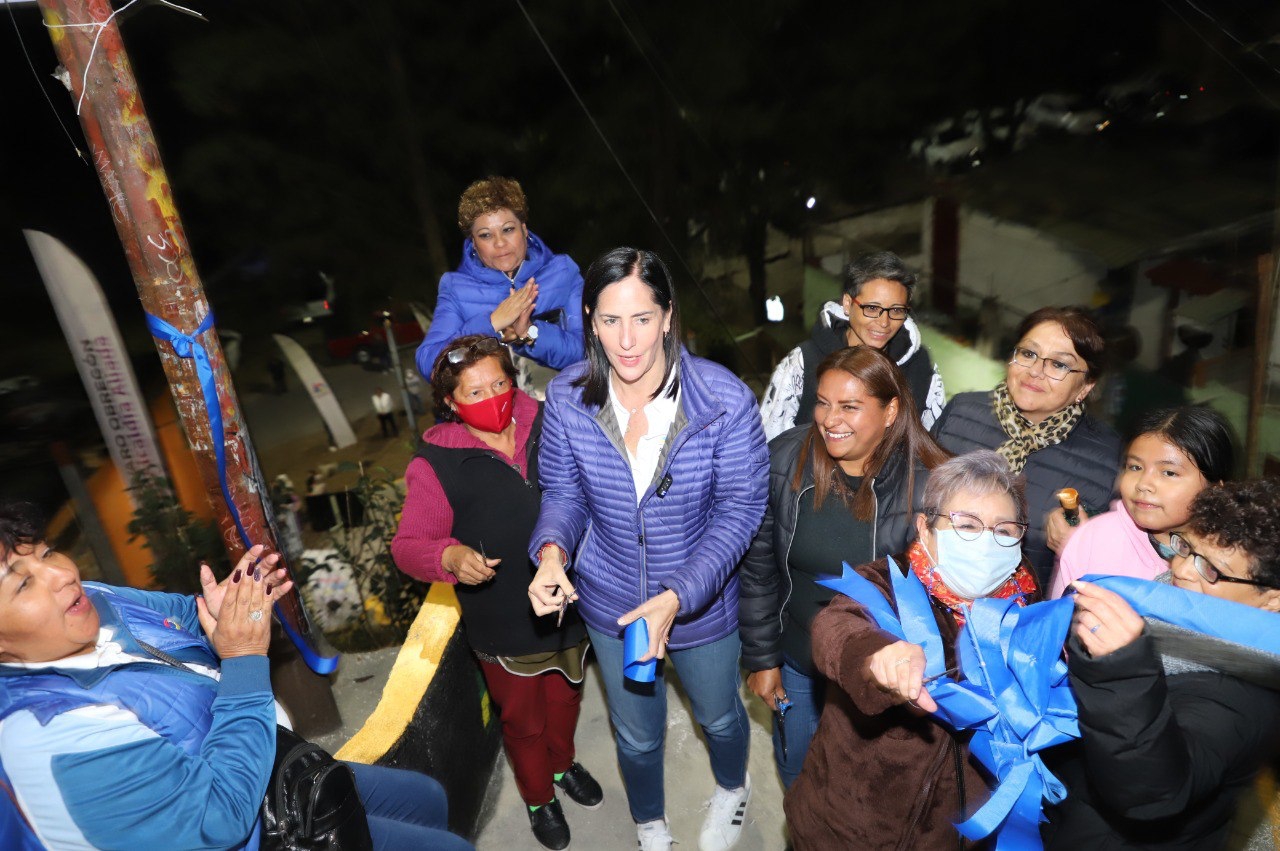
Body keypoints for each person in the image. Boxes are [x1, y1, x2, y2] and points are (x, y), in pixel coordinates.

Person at [0, 504, 473, 851]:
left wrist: (223, 608)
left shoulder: (91, 596)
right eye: (22, 583)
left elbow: (182, 616)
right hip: (252, 828)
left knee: (426, 797)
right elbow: (217, 821)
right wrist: (244, 656)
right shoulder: (49, 735)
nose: (61, 575)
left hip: (270, 757)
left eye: (47, 552)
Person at [527, 247, 768, 851]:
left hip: (701, 606)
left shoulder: (723, 401)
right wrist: (552, 551)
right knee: (636, 736)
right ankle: (650, 825)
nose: (626, 340)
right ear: (589, 319)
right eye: (610, 320)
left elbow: (740, 511)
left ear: (667, 316)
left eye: (641, 318)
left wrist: (678, 594)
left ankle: (733, 790)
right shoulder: (567, 398)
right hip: (612, 605)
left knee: (718, 715)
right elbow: (563, 491)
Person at [392, 334, 600, 851]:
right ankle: (538, 798)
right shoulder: (435, 464)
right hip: (501, 616)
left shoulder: (551, 420)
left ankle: (563, 764)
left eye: (500, 383)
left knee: (567, 695)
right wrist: (449, 557)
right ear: (450, 402)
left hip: (568, 598)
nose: (493, 398)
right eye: (475, 392)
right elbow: (408, 544)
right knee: (522, 718)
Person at [783, 451, 1041, 849]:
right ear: (926, 528)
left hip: (951, 836)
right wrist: (875, 656)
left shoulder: (1026, 609)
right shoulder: (886, 582)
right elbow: (835, 628)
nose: (987, 543)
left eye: (1004, 530)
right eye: (967, 525)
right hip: (844, 829)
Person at [739, 346, 949, 788]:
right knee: (796, 769)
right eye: (823, 402)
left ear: (891, 410)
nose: (830, 419)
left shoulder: (932, 487)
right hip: (798, 662)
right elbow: (758, 569)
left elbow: (945, 607)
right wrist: (762, 659)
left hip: (879, 675)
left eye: (850, 407)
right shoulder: (786, 459)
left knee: (862, 789)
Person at [1043, 479, 1280, 848]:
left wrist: (1121, 670)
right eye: (1186, 547)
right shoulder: (1166, 602)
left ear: (1271, 601)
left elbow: (1150, 793)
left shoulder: (1243, 694)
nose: (1183, 569)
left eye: (1212, 570)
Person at [931, 305, 1122, 585]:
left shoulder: (1108, 458)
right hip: (930, 587)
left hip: (1024, 614)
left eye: (1058, 364)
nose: (1035, 371)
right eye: (1028, 354)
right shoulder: (962, 412)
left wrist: (1081, 546)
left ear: (1085, 387)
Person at [415, 176, 585, 396]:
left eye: (507, 229)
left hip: (566, 412)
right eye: (485, 235)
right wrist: (492, 323)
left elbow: (585, 353)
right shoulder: (455, 289)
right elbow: (431, 365)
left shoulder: (563, 272)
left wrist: (529, 332)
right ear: (474, 243)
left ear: (524, 229)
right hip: (496, 424)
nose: (499, 243)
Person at [1049, 405, 1235, 599]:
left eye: (1169, 473)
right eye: (1135, 467)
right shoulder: (1093, 540)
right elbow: (1058, 620)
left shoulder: (1234, 563)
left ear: (1214, 490)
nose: (1144, 484)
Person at [759, 251, 945, 440]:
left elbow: (932, 446)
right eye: (872, 308)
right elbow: (770, 443)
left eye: (896, 310)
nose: (884, 322)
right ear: (848, 304)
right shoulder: (803, 363)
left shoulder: (921, 368)